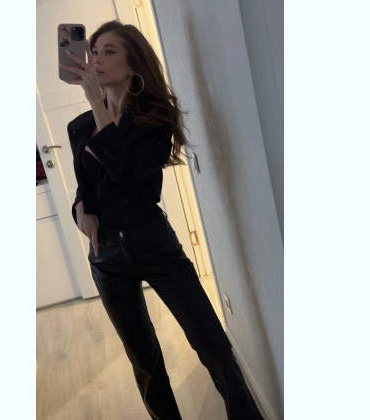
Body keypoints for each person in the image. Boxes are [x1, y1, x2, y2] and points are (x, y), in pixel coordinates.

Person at [59, 20, 264, 420]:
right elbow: (88, 187)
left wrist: (96, 102)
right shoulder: (79, 127)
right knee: (144, 360)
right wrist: (80, 207)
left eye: (109, 51)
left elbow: (124, 170)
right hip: (107, 257)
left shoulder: (155, 120)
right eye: (94, 51)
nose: (97, 59)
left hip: (154, 245)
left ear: (133, 64)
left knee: (212, 344)